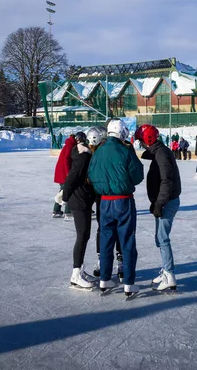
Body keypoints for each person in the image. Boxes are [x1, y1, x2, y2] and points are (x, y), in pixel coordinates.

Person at [88, 118, 144, 298]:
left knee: (106, 240)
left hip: (104, 202)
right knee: (126, 241)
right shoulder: (125, 150)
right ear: (122, 133)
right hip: (123, 201)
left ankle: (105, 279)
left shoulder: (98, 151)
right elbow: (137, 175)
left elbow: (91, 174)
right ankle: (128, 283)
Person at [135, 124, 181, 291]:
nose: (141, 144)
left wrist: (159, 204)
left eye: (141, 141)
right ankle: (166, 270)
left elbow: (167, 181)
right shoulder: (159, 152)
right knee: (159, 239)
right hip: (163, 201)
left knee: (163, 239)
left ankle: (169, 275)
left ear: (149, 139)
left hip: (167, 202)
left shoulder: (161, 154)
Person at [62, 131, 96, 289]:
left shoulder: (82, 153)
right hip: (79, 199)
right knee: (82, 235)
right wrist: (65, 196)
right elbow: (73, 176)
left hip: (83, 198)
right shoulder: (83, 156)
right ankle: (76, 275)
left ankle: (80, 270)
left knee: (85, 235)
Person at [89, 126, 124, 282]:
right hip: (102, 197)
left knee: (111, 229)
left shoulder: (106, 152)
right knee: (105, 229)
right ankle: (102, 261)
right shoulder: (93, 154)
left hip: (108, 196)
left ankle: (119, 261)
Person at [52, 134, 76, 218]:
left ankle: (56, 210)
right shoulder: (70, 145)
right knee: (68, 190)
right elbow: (66, 159)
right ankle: (68, 211)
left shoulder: (69, 144)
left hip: (61, 172)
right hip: (63, 173)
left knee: (63, 190)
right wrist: (68, 173)